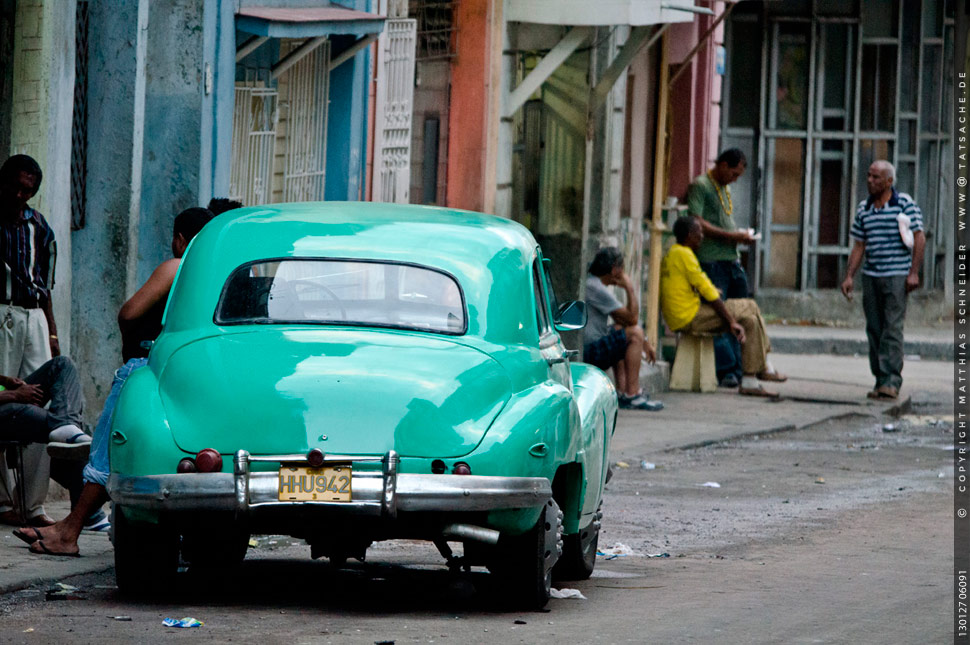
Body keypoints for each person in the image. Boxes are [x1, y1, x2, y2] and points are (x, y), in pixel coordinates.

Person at [14, 206, 215, 556]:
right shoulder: (213, 275)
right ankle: (69, 527)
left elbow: (129, 312)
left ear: (180, 239)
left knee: (106, 448)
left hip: (144, 366)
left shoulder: (177, 266)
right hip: (185, 374)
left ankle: (69, 532)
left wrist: (132, 339)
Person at [0, 154, 61, 527]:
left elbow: (47, 287)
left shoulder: (39, 226)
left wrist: (52, 334)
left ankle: (33, 504)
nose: (22, 196)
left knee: (39, 402)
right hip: (1, 311)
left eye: (29, 191)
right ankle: (3, 500)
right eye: (16, 187)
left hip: (34, 315)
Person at [660, 217, 785, 397]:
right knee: (750, 306)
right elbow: (709, 292)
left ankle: (750, 380)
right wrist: (731, 321)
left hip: (684, 314)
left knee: (750, 320)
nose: (702, 237)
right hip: (689, 316)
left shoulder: (674, 252)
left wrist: (710, 291)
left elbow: (696, 284)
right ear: (689, 236)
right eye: (699, 233)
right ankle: (764, 364)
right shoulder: (684, 254)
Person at [687, 148, 773, 389]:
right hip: (712, 260)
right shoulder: (702, 186)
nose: (735, 179)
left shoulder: (724, 188)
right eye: (733, 173)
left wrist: (738, 237)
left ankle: (748, 366)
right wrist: (730, 235)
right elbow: (697, 221)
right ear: (723, 165)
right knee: (720, 315)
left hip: (731, 259)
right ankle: (728, 370)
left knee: (744, 312)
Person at [840, 161, 925, 400]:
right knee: (874, 328)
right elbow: (859, 245)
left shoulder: (904, 204)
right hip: (872, 275)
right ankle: (879, 379)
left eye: (876, 177)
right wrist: (849, 276)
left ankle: (891, 380)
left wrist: (913, 272)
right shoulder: (864, 208)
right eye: (868, 176)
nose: (870, 181)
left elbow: (919, 237)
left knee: (892, 328)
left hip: (897, 275)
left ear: (889, 181)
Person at [583, 247, 663, 411]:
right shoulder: (595, 287)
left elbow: (623, 320)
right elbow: (632, 318)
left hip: (590, 348)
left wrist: (645, 342)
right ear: (614, 269)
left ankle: (622, 392)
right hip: (588, 352)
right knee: (633, 334)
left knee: (620, 330)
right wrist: (629, 288)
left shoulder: (593, 283)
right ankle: (632, 394)